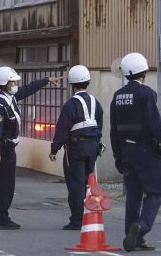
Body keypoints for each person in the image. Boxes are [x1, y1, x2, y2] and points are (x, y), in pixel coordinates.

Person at [109, 52, 161, 252]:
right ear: (143, 71)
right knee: (156, 193)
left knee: (134, 196)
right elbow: (155, 125)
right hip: (145, 151)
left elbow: (113, 131)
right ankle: (141, 228)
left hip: (127, 151)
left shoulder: (117, 96)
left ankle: (132, 238)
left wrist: (118, 156)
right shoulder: (146, 93)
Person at [0, 66, 61, 230]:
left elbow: (27, 90)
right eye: (12, 82)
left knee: (7, 184)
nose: (15, 84)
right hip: (4, 150)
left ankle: (2, 215)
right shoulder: (0, 104)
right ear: (4, 83)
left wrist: (46, 80)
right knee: (4, 184)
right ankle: (0, 217)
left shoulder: (10, 97)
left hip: (9, 148)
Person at [48, 65, 103, 230]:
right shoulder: (95, 102)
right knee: (89, 182)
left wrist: (54, 149)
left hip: (76, 147)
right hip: (92, 146)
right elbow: (100, 125)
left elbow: (62, 128)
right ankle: (92, 215)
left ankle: (77, 220)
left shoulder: (71, 104)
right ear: (88, 82)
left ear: (72, 84)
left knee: (76, 184)